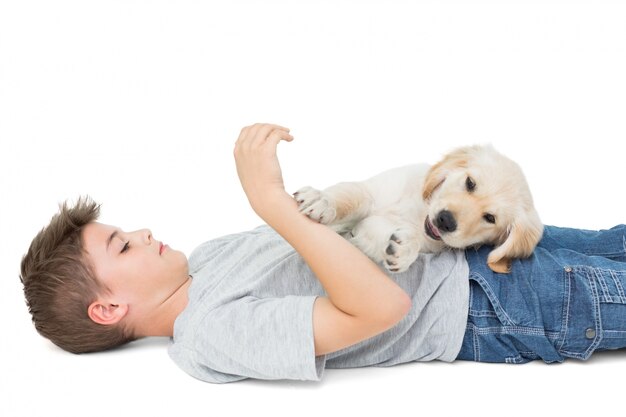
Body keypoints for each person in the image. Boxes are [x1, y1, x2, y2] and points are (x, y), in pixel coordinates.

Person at [20, 123, 626, 383]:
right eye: (123, 245)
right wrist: (270, 201)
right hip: (488, 307)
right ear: (108, 308)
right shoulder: (207, 334)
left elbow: (349, 229)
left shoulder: (207, 258)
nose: (146, 232)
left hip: (469, 246)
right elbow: (379, 307)